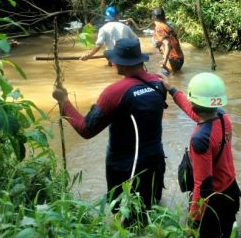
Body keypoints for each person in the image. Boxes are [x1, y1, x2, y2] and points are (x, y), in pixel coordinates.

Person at [52, 38, 166, 218]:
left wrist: (64, 101)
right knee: (150, 212)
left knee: (122, 216)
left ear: (120, 63)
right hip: (154, 162)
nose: (112, 62)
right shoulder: (160, 83)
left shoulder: (114, 92)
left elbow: (86, 129)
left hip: (123, 168)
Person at [162, 72, 241, 238]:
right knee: (228, 231)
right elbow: (194, 113)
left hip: (214, 201)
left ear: (194, 101)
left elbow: (203, 186)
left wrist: (193, 221)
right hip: (231, 190)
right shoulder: (223, 117)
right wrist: (172, 89)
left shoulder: (200, 139)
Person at [152, 7, 184, 75]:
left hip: (173, 60)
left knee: (162, 77)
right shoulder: (167, 25)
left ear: (154, 17)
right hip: (180, 59)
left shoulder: (159, 27)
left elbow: (167, 44)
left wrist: (164, 62)